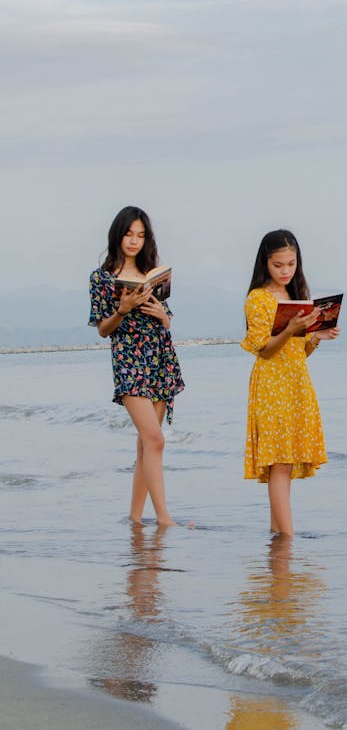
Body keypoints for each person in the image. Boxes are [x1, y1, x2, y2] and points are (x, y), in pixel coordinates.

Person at [88, 206, 184, 527]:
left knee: (146, 443)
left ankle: (135, 518)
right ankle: (164, 519)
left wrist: (161, 315)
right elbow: (103, 328)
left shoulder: (151, 273)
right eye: (129, 234)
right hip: (129, 361)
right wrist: (123, 309)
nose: (134, 241)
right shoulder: (101, 279)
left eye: (141, 235)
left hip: (158, 358)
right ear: (118, 234)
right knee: (155, 439)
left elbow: (167, 323)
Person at [241, 229, 338, 537]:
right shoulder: (258, 300)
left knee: (286, 463)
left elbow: (300, 353)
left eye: (291, 264)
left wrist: (316, 337)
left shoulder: (297, 298)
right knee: (279, 463)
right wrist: (289, 330)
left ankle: (277, 539)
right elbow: (266, 350)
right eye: (278, 265)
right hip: (271, 385)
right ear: (265, 264)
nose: (285, 271)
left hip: (296, 383)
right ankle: (288, 538)